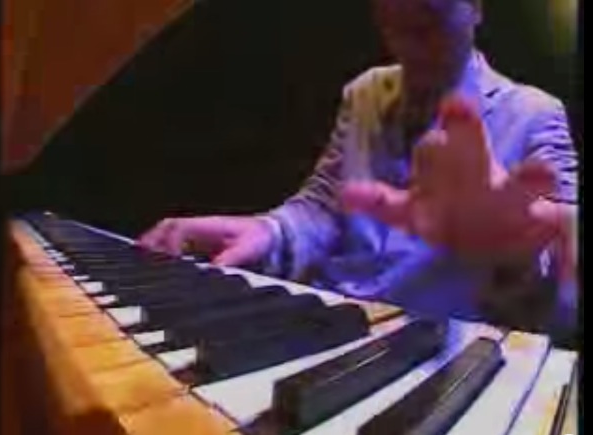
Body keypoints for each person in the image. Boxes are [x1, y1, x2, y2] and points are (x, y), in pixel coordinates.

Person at [139, 0, 578, 344]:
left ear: (475, 8)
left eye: (430, 23)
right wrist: (267, 230)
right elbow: (321, 209)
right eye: (393, 26)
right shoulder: (364, 92)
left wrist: (514, 240)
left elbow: (569, 289)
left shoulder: (535, 114)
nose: (409, 49)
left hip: (432, 346)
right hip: (331, 318)